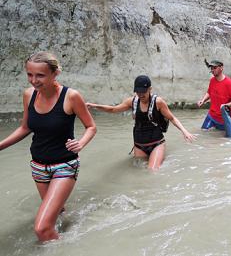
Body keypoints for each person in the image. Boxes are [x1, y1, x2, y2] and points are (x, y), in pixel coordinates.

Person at [0, 52, 97, 242]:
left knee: (42, 228)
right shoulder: (29, 95)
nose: (33, 80)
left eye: (40, 75)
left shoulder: (71, 97)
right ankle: (67, 232)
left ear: (55, 73)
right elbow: (25, 127)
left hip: (64, 165)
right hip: (38, 167)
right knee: (57, 212)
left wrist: (81, 143)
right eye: (29, 74)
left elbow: (91, 127)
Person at [86, 75, 195, 170]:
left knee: (152, 171)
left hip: (156, 143)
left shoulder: (158, 102)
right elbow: (114, 109)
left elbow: (172, 118)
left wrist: (184, 131)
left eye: (143, 92)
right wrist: (95, 106)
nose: (141, 95)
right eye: (138, 92)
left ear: (150, 89)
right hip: (139, 145)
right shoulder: (132, 101)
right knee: (138, 172)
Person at [197, 60, 231, 131]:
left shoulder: (229, 83)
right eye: (211, 68)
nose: (212, 70)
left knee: (224, 140)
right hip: (212, 115)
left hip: (226, 118)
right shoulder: (212, 80)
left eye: (214, 67)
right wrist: (203, 100)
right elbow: (209, 92)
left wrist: (226, 105)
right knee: (203, 133)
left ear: (221, 68)